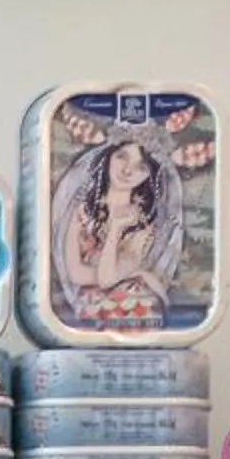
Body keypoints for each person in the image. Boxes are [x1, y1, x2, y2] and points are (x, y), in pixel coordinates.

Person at [50, 134, 187, 329]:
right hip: (90, 307)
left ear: (150, 175)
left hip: (130, 304)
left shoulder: (143, 221)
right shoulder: (82, 210)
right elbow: (77, 274)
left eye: (141, 167)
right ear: (108, 156)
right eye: (122, 156)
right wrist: (138, 273)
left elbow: (106, 278)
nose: (127, 170)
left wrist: (115, 233)